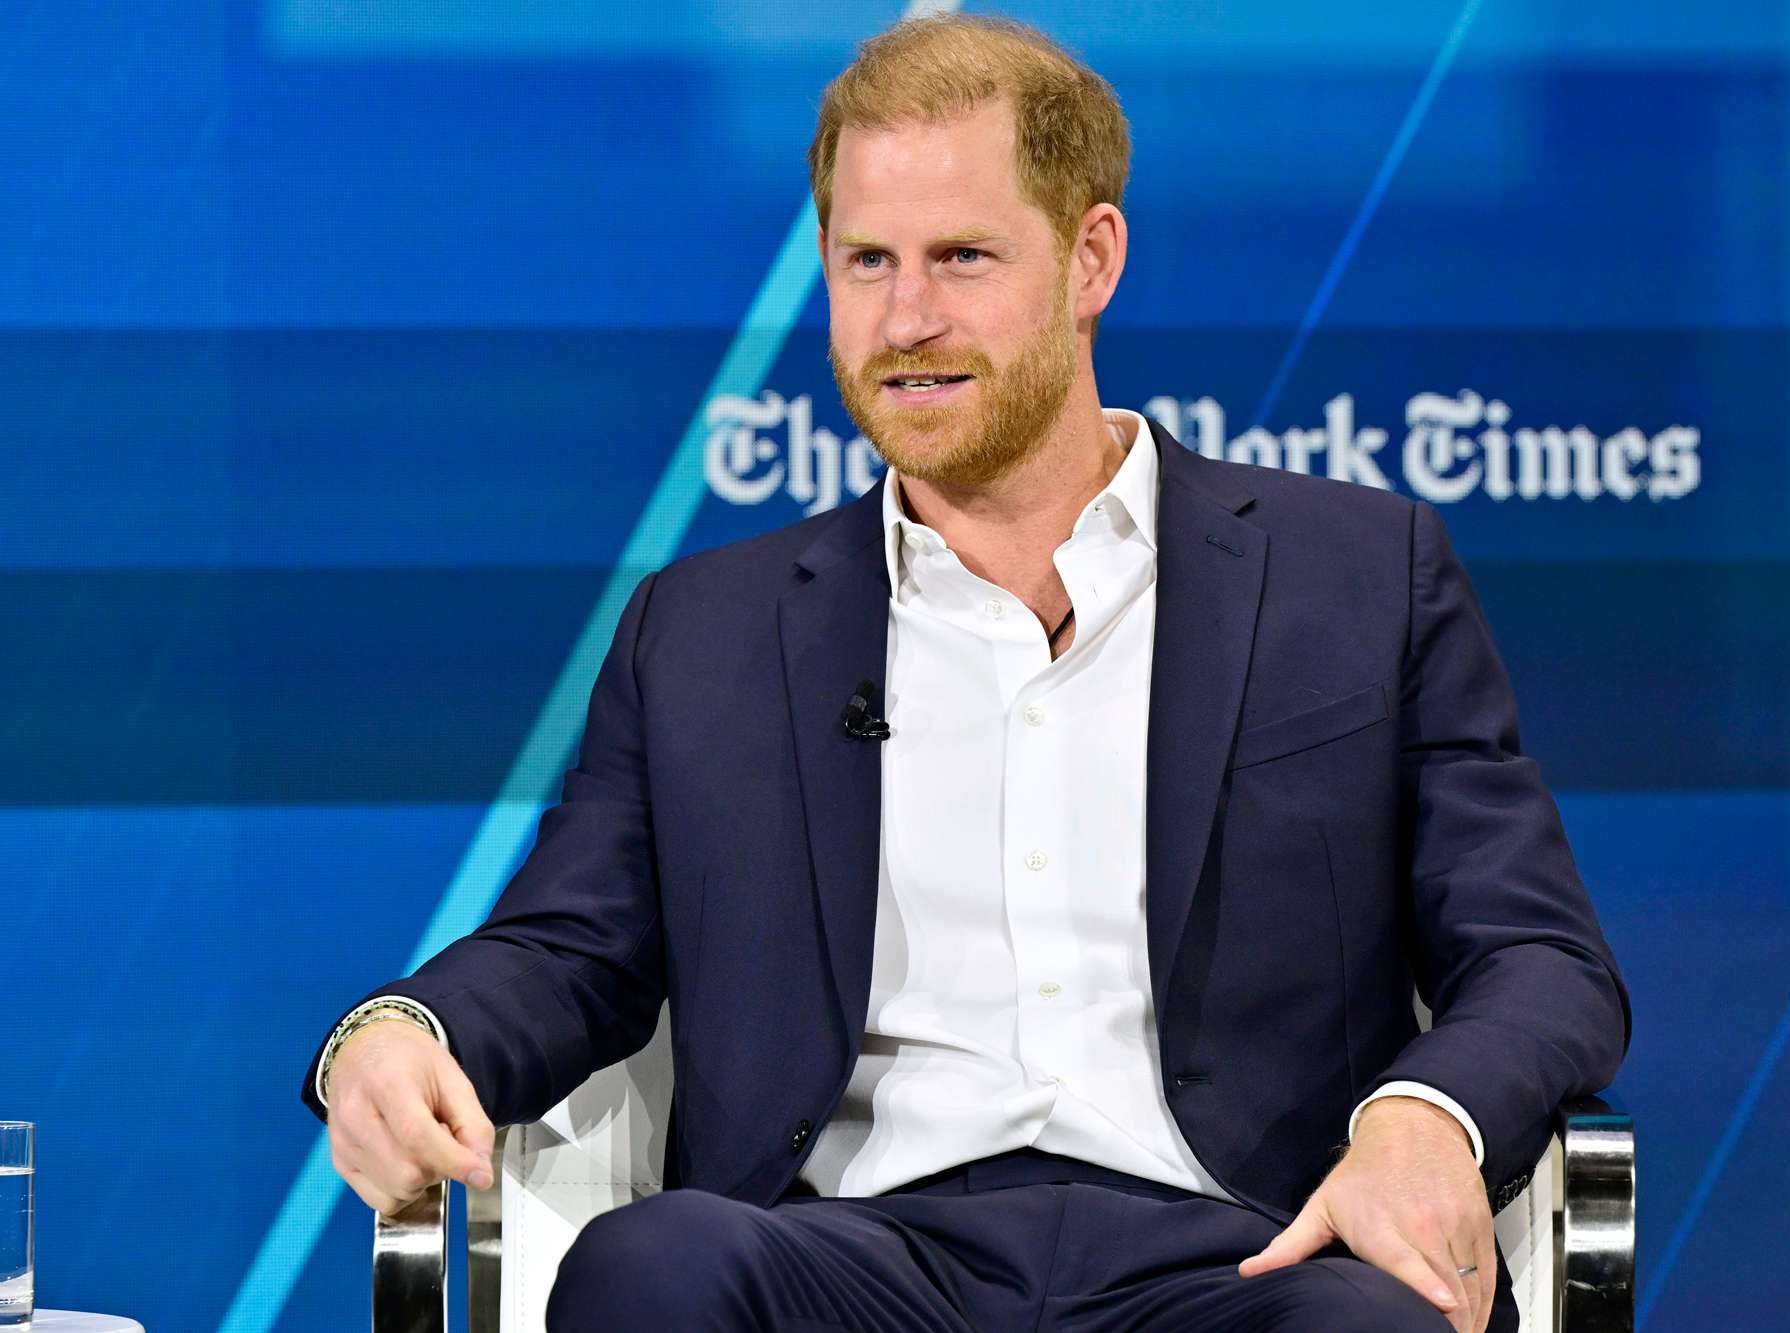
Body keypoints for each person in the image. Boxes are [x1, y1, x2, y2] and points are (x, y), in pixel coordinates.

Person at [303, 15, 1628, 1332]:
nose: (907, 317)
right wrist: (402, 1029)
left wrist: (1425, 1114)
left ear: (1090, 259)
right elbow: (569, 946)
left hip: (1242, 1255)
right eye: (865, 259)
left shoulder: (1357, 576)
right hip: (856, 1250)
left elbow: (1539, 954)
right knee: (651, 1267)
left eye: (961, 258)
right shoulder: (706, 628)